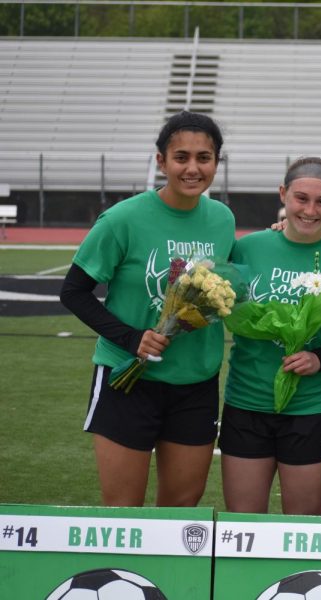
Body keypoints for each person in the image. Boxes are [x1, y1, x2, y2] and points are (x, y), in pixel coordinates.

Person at [59, 111, 235, 506]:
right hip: (127, 379)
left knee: (180, 509)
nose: (193, 168)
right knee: (123, 509)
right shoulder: (123, 218)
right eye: (181, 157)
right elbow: (74, 291)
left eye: (204, 158)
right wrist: (132, 338)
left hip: (195, 384)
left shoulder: (223, 219)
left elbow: (227, 282)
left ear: (216, 162)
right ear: (161, 161)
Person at [220, 157, 321, 515]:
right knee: (243, 526)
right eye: (301, 198)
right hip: (246, 403)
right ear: (283, 194)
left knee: (302, 528)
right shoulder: (247, 248)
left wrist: (320, 358)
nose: (310, 210)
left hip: (310, 409)